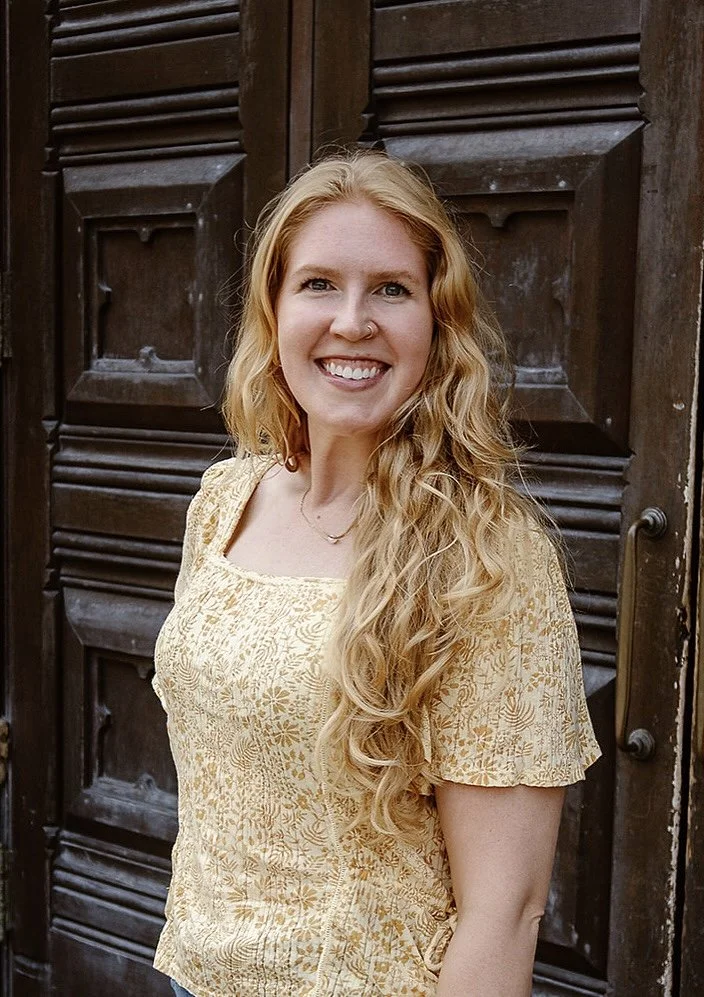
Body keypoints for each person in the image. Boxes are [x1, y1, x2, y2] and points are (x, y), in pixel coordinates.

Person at [152, 150, 601, 997]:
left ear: (439, 321)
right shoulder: (224, 499)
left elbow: (504, 911)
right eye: (318, 283)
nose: (352, 320)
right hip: (193, 972)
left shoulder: (488, 558)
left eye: (391, 288)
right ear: (274, 310)